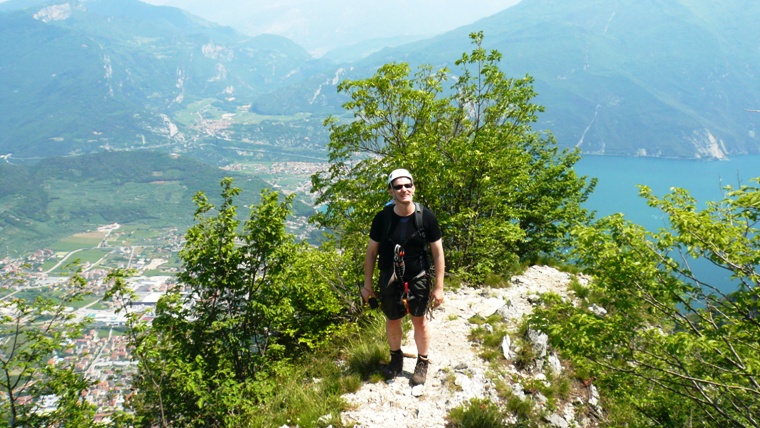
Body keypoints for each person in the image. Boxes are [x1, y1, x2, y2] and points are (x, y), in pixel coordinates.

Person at [361, 168, 445, 385]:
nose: (403, 189)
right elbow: (371, 253)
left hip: (418, 276)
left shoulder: (426, 217)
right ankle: (396, 359)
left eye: (407, 185)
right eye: (398, 186)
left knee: (419, 320)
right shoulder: (382, 219)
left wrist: (439, 287)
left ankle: (422, 362)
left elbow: (438, 253)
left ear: (414, 188)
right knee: (393, 319)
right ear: (391, 191)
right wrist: (367, 286)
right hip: (390, 277)